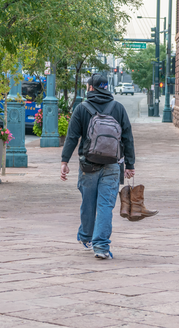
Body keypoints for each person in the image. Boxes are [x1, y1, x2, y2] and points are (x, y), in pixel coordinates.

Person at [60, 74, 135, 260]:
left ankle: (86, 236)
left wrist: (64, 161)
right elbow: (127, 137)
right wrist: (130, 165)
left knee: (88, 203)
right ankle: (101, 246)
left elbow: (72, 137)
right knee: (105, 206)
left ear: (90, 88)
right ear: (106, 87)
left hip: (88, 165)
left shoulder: (81, 109)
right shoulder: (118, 108)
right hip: (112, 164)